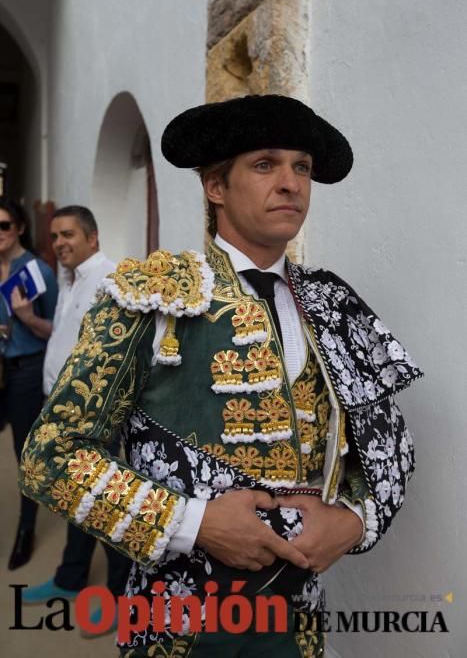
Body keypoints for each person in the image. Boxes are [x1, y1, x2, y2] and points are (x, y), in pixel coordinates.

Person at [20, 95, 422, 657]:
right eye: (265, 165)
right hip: (176, 617)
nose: (291, 183)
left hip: (296, 615)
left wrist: (353, 521)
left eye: (301, 167)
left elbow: (389, 450)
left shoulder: (332, 306)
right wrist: (194, 523)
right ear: (215, 187)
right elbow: (51, 455)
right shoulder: (153, 295)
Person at [21, 205, 132, 634]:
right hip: (61, 408)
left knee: (106, 503)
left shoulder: (110, 280)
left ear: (93, 238)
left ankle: (124, 600)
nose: (60, 243)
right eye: (54, 237)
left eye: (68, 234)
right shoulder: (68, 279)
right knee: (74, 499)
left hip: (94, 415)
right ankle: (71, 579)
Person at [0, 197, 58, 570]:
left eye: (4, 225)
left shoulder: (36, 270)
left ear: (19, 227)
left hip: (24, 372)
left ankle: (26, 529)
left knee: (26, 454)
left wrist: (24, 316)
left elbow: (56, 328)